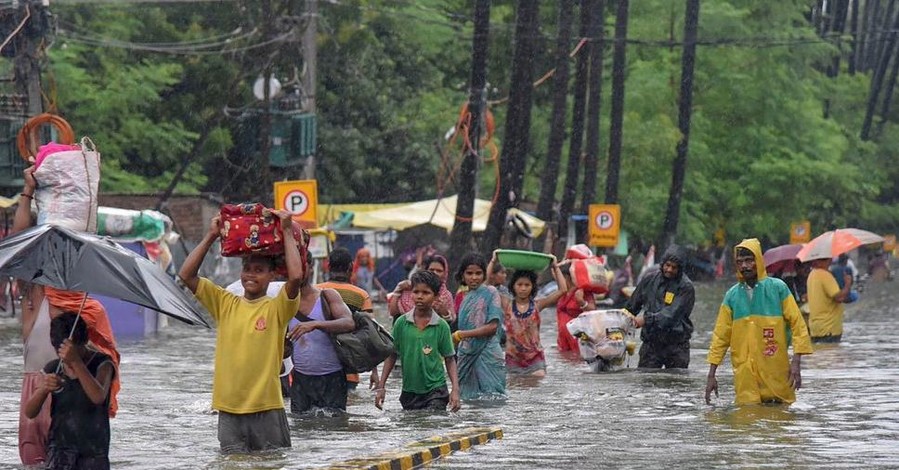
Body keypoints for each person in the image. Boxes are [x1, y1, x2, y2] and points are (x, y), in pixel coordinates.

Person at [15, 166, 121, 466]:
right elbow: (18, 241)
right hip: (39, 388)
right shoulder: (36, 291)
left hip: (77, 404)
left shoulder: (90, 307)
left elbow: (100, 375)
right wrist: (28, 191)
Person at [179, 211, 302, 453]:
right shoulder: (225, 303)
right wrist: (211, 235)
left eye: (258, 270)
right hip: (228, 409)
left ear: (272, 275)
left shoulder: (276, 307)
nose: (250, 275)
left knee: (271, 464)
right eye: (247, 269)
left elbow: (296, 276)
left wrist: (287, 231)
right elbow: (186, 275)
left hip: (266, 408)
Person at [705, 239, 813, 405]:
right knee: (748, 420)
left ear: (759, 261)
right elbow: (720, 336)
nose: (744, 266)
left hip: (775, 371)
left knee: (781, 419)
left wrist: (796, 362)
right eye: (740, 262)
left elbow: (798, 324)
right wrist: (711, 374)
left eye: (749, 260)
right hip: (745, 375)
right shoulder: (732, 296)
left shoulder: (778, 289)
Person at [25, 312, 115, 470]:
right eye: (62, 353)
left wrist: (77, 362)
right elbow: (30, 412)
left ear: (85, 342)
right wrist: (43, 390)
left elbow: (98, 397)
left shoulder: (103, 364)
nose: (66, 359)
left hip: (93, 452)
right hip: (59, 450)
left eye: (72, 351)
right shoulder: (54, 368)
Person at [375, 271, 461, 411]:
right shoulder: (401, 323)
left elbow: (449, 359)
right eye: (416, 292)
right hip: (410, 392)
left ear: (436, 296)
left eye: (426, 293)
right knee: (413, 428)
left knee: (432, 424)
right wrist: (381, 386)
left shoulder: (441, 326)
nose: (420, 296)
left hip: (436, 390)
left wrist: (455, 390)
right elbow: (392, 355)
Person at [286, 254, 356, 415]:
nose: (297, 272)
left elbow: (348, 322)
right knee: (301, 430)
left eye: (302, 267)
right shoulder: (284, 302)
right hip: (300, 380)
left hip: (332, 379)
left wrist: (316, 324)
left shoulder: (327, 296)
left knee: (334, 429)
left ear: (311, 268)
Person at [317, 247, 379, 390]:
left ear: (328, 267)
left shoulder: (315, 291)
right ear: (351, 267)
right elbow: (371, 334)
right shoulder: (361, 295)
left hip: (317, 367)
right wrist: (374, 371)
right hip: (349, 368)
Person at [625, 244, 695, 369]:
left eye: (674, 267)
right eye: (667, 265)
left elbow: (670, 315)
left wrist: (646, 319)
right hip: (651, 345)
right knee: (646, 383)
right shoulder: (649, 279)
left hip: (676, 346)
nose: (669, 270)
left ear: (680, 269)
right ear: (662, 264)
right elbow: (631, 308)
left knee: (676, 384)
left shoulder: (686, 287)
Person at [452, 252, 506, 399]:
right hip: (466, 354)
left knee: (493, 399)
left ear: (484, 275)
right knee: (466, 399)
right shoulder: (464, 298)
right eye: (469, 273)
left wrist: (461, 335)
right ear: (462, 275)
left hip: (488, 354)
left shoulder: (491, 292)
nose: (474, 277)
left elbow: (492, 327)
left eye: (478, 273)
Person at [503, 257, 568, 376]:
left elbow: (563, 290)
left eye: (527, 285)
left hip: (535, 359)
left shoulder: (537, 305)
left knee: (538, 381)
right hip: (513, 359)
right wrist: (493, 261)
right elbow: (487, 286)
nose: (523, 288)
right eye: (520, 284)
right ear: (513, 286)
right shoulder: (507, 304)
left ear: (532, 287)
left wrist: (555, 266)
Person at [389, 254, 455, 323]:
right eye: (431, 269)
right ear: (426, 270)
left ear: (445, 273)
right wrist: (398, 290)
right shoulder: (409, 289)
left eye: (439, 271)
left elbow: (450, 322)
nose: (435, 273)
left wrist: (444, 312)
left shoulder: (446, 296)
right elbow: (393, 312)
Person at [806, 256, 851, 343]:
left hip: (816, 328)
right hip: (829, 328)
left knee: (819, 354)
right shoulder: (825, 275)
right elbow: (839, 297)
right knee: (830, 354)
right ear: (830, 260)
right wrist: (847, 284)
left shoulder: (812, 275)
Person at [555, 262, 596, 355]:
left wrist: (581, 301)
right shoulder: (563, 291)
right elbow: (554, 271)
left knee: (577, 361)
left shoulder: (582, 291)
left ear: (567, 277)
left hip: (578, 339)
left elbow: (593, 310)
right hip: (563, 339)